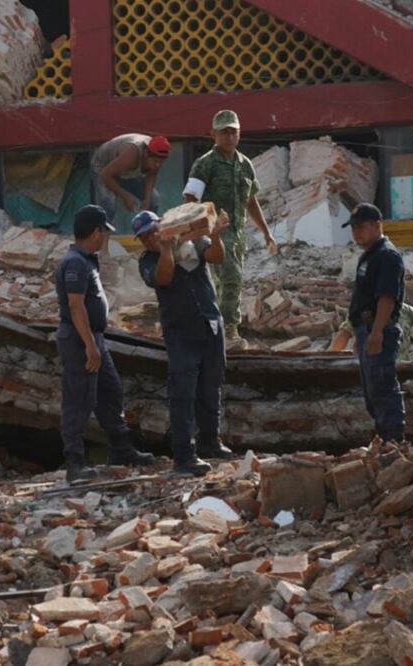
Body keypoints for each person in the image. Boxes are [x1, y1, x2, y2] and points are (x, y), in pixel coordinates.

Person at [55, 205, 155, 483]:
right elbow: (76, 307)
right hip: (79, 339)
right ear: (95, 231)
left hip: (94, 337)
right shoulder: (75, 262)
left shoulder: (87, 260)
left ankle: (122, 448)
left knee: (110, 391)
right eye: (103, 232)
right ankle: (75, 462)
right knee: (79, 398)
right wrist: (89, 345)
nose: (105, 238)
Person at [133, 210, 234, 478]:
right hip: (180, 332)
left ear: (162, 226)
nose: (151, 238)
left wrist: (214, 233)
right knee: (183, 394)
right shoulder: (147, 260)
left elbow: (217, 256)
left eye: (153, 230)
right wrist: (166, 249)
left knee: (211, 386)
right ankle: (185, 456)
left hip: (210, 323)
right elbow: (163, 277)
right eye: (144, 236)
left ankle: (210, 441)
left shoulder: (192, 242)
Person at [184, 109, 278, 351]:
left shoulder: (245, 165)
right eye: (224, 132)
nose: (229, 136)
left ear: (239, 134)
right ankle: (229, 330)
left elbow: (251, 201)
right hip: (214, 234)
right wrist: (201, 229)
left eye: (233, 132)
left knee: (222, 283)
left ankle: (212, 329)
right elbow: (191, 198)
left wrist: (266, 232)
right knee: (231, 278)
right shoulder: (205, 164)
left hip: (237, 234)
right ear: (213, 134)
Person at [344, 204, 406, 443]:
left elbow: (387, 297)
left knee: (383, 387)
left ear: (377, 225)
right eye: (354, 228)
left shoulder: (386, 256)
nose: (356, 233)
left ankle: (394, 441)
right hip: (366, 329)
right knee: (372, 391)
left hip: (379, 328)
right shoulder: (370, 254)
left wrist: (377, 332)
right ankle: (384, 438)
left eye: (361, 227)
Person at [91, 134, 171, 226]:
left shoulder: (156, 156)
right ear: (145, 154)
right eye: (155, 161)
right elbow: (105, 175)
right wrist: (126, 197)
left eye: (161, 162)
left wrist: (147, 200)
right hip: (103, 168)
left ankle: (149, 233)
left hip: (124, 172)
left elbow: (151, 176)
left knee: (154, 200)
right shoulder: (131, 154)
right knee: (108, 204)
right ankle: (101, 237)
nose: (157, 165)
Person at [329, 303, 413, 364]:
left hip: (368, 369)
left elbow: (343, 336)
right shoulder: (407, 311)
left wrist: (331, 364)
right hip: (399, 368)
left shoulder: (361, 309)